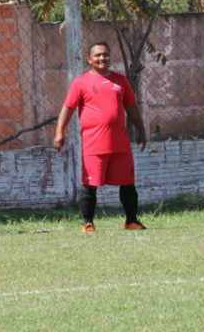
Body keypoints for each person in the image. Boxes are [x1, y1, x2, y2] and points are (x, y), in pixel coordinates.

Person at [53, 42, 148, 232]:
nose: (101, 58)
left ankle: (131, 221)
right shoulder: (81, 82)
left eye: (105, 54)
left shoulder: (120, 81)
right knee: (90, 185)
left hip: (120, 144)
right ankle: (88, 223)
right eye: (97, 55)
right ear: (89, 59)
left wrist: (141, 130)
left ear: (110, 57)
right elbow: (68, 108)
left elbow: (131, 108)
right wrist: (59, 133)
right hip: (93, 145)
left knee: (128, 183)